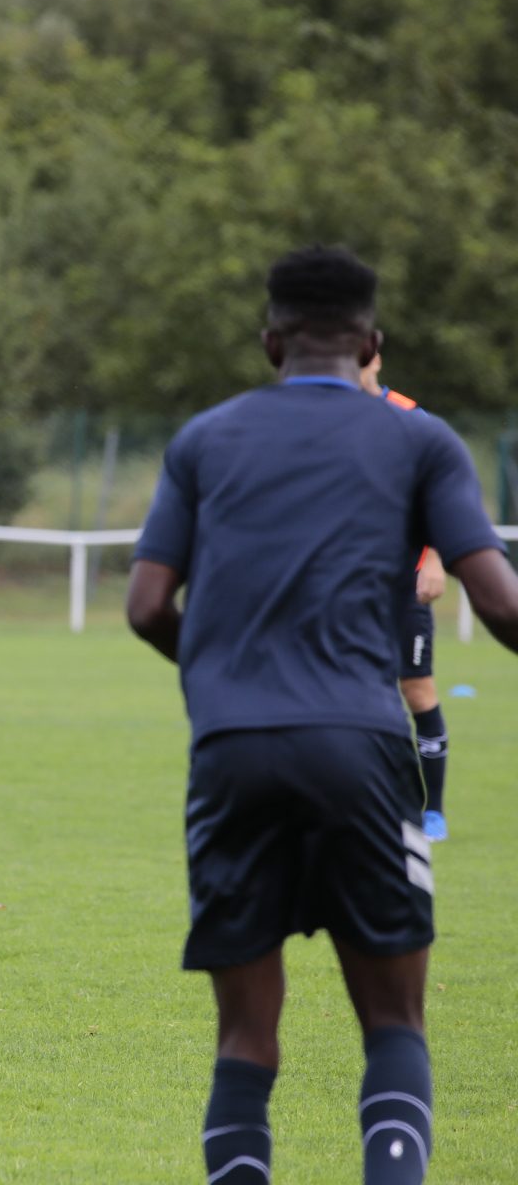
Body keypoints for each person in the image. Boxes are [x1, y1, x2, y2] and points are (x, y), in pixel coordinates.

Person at [127, 245, 518, 1185]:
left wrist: (225, 674)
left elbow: (145, 607)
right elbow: (499, 603)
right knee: (393, 1023)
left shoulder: (205, 439)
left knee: (246, 1037)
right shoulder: (422, 442)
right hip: (361, 745)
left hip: (232, 751)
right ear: (373, 342)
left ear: (271, 342)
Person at [359, 353, 452, 841]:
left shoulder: (411, 418)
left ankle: (431, 810)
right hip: (346, 584)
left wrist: (434, 557)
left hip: (403, 583)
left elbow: (440, 495)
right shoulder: (325, 415)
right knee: (350, 690)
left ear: (374, 355)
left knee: (416, 690)